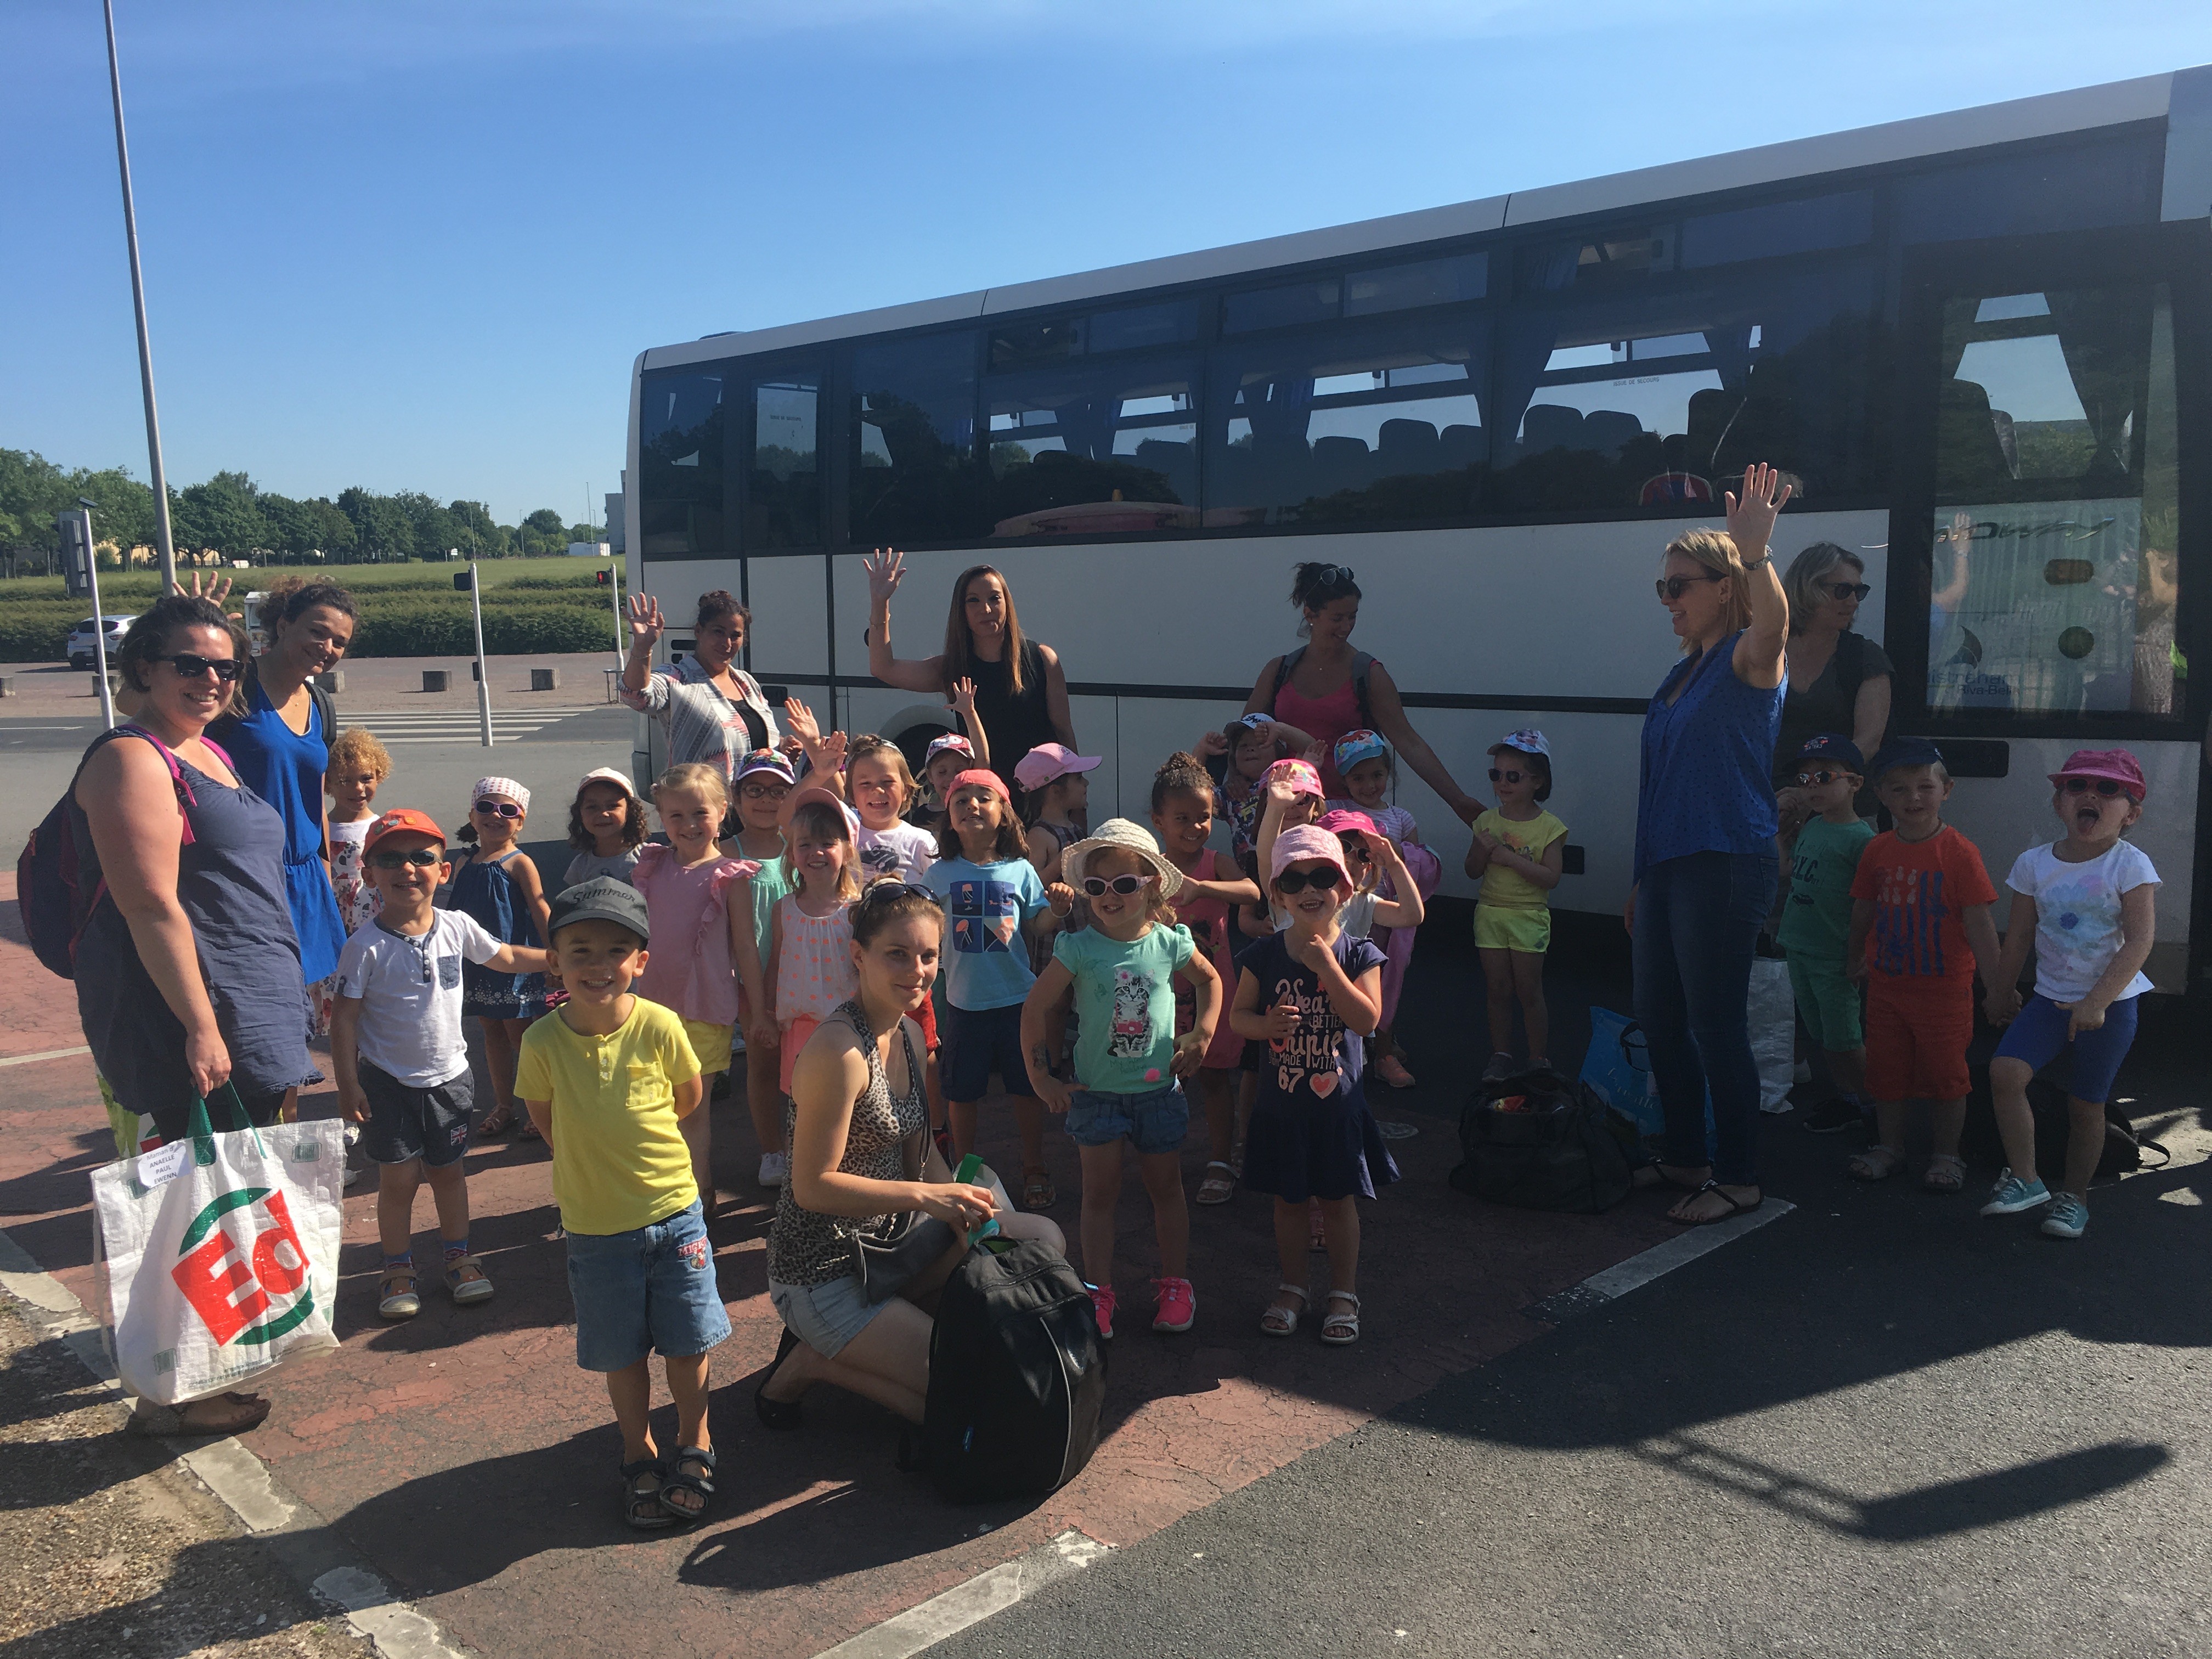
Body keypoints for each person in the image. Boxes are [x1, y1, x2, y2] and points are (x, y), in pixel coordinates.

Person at [71, 594, 311, 1435]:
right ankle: (169, 1394)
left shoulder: (204, 750)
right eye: (190, 664)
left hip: (252, 996)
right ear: (143, 668)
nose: (212, 679)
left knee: (233, 1197)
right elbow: (150, 907)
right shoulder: (130, 758)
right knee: (186, 1204)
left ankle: (212, 1363)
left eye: (225, 666)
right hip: (192, 1012)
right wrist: (202, 1027)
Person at [757, 882, 1066, 1427]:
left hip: (890, 1250)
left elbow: (922, 1158)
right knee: (966, 1405)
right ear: (858, 956)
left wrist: (970, 1215)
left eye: (927, 955)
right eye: (896, 954)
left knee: (1043, 1239)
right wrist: (934, 1197)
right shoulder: (837, 1051)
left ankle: (904, 1326)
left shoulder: (907, 1032)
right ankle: (811, 1361)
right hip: (823, 1274)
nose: (917, 970)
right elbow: (812, 1187)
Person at [516, 878, 725, 1531]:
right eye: (579, 951)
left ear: (640, 961)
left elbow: (687, 1099)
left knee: (688, 1345)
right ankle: (639, 1450)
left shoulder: (661, 1025)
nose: (598, 965)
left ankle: (698, 1441)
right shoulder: (542, 1043)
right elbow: (547, 1122)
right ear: (555, 961)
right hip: (595, 1229)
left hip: (675, 1214)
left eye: (616, 950)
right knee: (622, 1354)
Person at [1627, 465, 1793, 1226]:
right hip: (1668, 867)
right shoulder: (1679, 673)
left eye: (1679, 586)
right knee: (1661, 1018)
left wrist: (1757, 556)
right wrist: (1639, 880)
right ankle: (1688, 1156)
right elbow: (1658, 783)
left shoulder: (1747, 662)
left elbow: (1774, 628)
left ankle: (1741, 1174)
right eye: (1663, 588)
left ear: (1722, 587)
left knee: (1714, 1023)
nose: (1667, 600)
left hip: (1725, 861)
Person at [331, 809, 551, 1320]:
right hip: (387, 1084)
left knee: (449, 1174)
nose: (407, 869)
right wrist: (347, 1086)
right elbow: (343, 1022)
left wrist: (555, 958)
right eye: (389, 859)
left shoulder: (456, 927)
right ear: (369, 876)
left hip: (451, 1082)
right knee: (399, 1180)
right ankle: (398, 1267)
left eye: (421, 858)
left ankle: (458, 1257)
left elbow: (506, 958)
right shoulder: (363, 947)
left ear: (443, 870)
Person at [1023, 819, 1220, 1340]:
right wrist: (1040, 1077)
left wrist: (1202, 1034)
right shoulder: (1079, 947)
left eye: (1125, 884)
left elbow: (1211, 979)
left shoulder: (1170, 942)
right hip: (1097, 1096)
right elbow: (1036, 1007)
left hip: (1157, 1093)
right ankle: (1099, 1292)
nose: (1110, 896)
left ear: (1152, 884)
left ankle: (1176, 1285)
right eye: (1097, 886)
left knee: (1166, 1191)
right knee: (1099, 1196)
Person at [1979, 750, 2160, 1240]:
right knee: (2005, 1072)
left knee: (2086, 1106)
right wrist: (2000, 992)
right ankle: (2026, 1178)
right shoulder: (2034, 864)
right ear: (2059, 803)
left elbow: (2141, 940)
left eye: (2107, 790)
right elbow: (2017, 938)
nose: (2090, 796)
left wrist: (2098, 1000)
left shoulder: (2130, 864)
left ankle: (2074, 1198)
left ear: (2131, 814)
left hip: (2111, 1005)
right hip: (2050, 999)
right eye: (2077, 786)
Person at [1228, 825, 1397, 1346]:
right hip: (1282, 1106)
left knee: (1339, 1200)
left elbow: (1368, 1021)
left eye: (1322, 876)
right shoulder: (1264, 955)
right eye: (1295, 879)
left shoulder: (1359, 953)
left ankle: (1343, 1293)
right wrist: (1266, 1026)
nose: (1309, 889)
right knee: (1288, 1203)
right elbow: (1238, 1018)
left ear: (1345, 889)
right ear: (1277, 894)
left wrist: (1328, 968)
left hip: (1338, 1107)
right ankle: (1294, 1287)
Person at [1842, 739, 2001, 1193]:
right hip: (1888, 989)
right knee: (1886, 1073)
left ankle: (1948, 1155)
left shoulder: (1959, 853)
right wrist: (1855, 957)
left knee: (1947, 1076)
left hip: (1944, 992)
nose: (1913, 798)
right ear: (1881, 796)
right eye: (1899, 789)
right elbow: (1863, 912)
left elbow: (1979, 924)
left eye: (1924, 787)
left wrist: (1998, 987)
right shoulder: (1877, 850)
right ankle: (1890, 1149)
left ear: (1946, 790)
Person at [206, 578, 358, 1024]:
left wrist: (325, 873)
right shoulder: (233, 686)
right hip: (243, 878)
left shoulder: (320, 703)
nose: (327, 647)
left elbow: (314, 793)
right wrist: (187, 626)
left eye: (340, 642)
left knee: (298, 1024)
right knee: (252, 1023)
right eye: (318, 631)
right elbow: (135, 701)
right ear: (284, 624)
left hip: (305, 880)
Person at [923, 769, 1074, 1207]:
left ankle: (1034, 1166)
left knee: (1028, 1090)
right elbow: (925, 931)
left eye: (983, 797)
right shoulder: (938, 874)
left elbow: (1039, 923)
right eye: (960, 799)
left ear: (1005, 813)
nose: (972, 805)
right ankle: (964, 1172)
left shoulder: (1021, 870)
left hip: (1019, 1005)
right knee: (961, 1095)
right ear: (949, 817)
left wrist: (1059, 909)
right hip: (962, 1006)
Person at [1241, 562, 1480, 820]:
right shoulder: (1278, 670)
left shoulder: (1369, 674)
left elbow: (1409, 743)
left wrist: (1457, 800)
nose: (1347, 627)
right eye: (1337, 618)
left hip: (1350, 814)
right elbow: (1244, 737)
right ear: (1310, 615)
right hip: (1292, 809)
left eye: (1352, 616)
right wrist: (1234, 775)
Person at [864, 550, 1075, 803]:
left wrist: (1076, 800)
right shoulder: (953, 669)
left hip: (1042, 802)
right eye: (973, 600)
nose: (985, 609)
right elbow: (883, 668)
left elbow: (1064, 734)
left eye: (994, 598)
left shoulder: (1042, 659)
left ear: (1007, 603)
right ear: (961, 610)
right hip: (984, 804)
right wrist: (880, 603)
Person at [633, 765, 753, 1206]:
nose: (688, 826)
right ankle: (668, 1188)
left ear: (723, 811)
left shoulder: (731, 875)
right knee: (658, 1107)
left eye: (699, 813)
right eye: (676, 816)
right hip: (653, 1008)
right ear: (662, 817)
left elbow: (745, 949)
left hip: (706, 1009)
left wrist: (757, 1010)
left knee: (694, 1109)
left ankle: (699, 1193)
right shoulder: (653, 866)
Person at [1150, 753, 1261, 1208]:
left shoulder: (1216, 861)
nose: (1195, 827)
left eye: (1204, 818)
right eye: (1182, 819)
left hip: (1214, 987)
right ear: (1158, 821)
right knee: (1160, 1081)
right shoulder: (1150, 864)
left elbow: (1252, 891)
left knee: (1215, 1077)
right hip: (1161, 992)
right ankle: (1161, 1158)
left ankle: (1220, 1160)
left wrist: (1204, 889)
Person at [1328, 729, 1440, 1088]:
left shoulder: (1402, 819)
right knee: (1344, 984)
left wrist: (1396, 854)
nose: (1369, 784)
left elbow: (1417, 868)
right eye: (1357, 777)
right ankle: (1363, 1047)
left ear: (1388, 773)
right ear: (1344, 779)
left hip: (1385, 914)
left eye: (1376, 774)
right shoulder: (1336, 810)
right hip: (1343, 912)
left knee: (1384, 986)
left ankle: (1383, 1050)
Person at [1775, 736, 1874, 1136]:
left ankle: (1875, 1104)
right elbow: (1787, 872)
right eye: (1804, 778)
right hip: (1799, 945)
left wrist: (1858, 955)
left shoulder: (1861, 840)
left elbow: (1871, 905)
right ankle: (1847, 1097)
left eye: (1824, 776)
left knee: (1845, 1037)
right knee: (1822, 1033)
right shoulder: (1813, 826)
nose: (1811, 785)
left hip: (1833, 954)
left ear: (1854, 783)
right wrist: (1781, 835)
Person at [448, 777, 552, 1140]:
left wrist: (555, 954)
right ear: (472, 816)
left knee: (520, 1034)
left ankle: (541, 1105)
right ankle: (504, 1105)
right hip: (478, 965)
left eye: (508, 811)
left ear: (520, 822)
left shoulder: (520, 863)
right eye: (486, 808)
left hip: (514, 966)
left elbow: (540, 909)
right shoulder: (463, 863)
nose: (496, 816)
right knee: (490, 1031)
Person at [1466, 730, 1568, 1080]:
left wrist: (1510, 860)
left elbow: (1551, 877)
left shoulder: (1550, 827)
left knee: (1529, 989)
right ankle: (1502, 1054)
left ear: (1538, 781)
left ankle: (1538, 1058)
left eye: (1513, 776)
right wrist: (1481, 849)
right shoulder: (1486, 822)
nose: (1502, 783)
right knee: (1497, 989)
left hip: (1529, 915)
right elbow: (1471, 871)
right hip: (1490, 912)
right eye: (1496, 775)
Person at [619, 590, 783, 800]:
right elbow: (636, 696)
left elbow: (756, 739)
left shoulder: (747, 683)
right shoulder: (678, 678)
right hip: (702, 809)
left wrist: (784, 746)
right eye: (718, 632)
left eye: (735, 636)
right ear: (699, 631)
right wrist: (642, 648)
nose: (727, 643)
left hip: (754, 808)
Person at [1774, 544, 1893, 830]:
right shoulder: (1767, 650)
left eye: (1859, 592)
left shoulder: (1864, 657)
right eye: (1843, 591)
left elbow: (1867, 742)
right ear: (1807, 588)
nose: (1853, 602)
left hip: (1843, 818)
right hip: (1772, 806)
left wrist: (1810, 793)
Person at [728, 749, 796, 1184]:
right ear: (736, 798)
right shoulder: (725, 855)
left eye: (778, 791)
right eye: (755, 790)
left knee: (806, 1065)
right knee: (763, 1065)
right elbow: (739, 941)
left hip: (805, 976)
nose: (766, 800)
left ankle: (809, 1146)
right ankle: (772, 1151)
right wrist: (756, 1002)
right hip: (750, 984)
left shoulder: (802, 848)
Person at [324, 726, 391, 936]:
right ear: (328, 784)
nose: (359, 788)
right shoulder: (321, 828)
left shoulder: (382, 828)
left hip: (372, 923)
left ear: (379, 776)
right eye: (346, 780)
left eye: (366, 778)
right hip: (330, 919)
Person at [1017, 743, 1101, 886]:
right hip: (1055, 909)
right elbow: (1030, 887)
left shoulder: (1076, 829)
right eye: (1079, 778)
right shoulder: (1039, 836)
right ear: (1055, 791)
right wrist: (1058, 865)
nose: (1086, 783)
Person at [565, 766, 648, 888]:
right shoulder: (580, 867)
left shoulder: (648, 857)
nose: (603, 813)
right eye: (592, 807)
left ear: (630, 811)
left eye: (612, 806)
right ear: (580, 814)